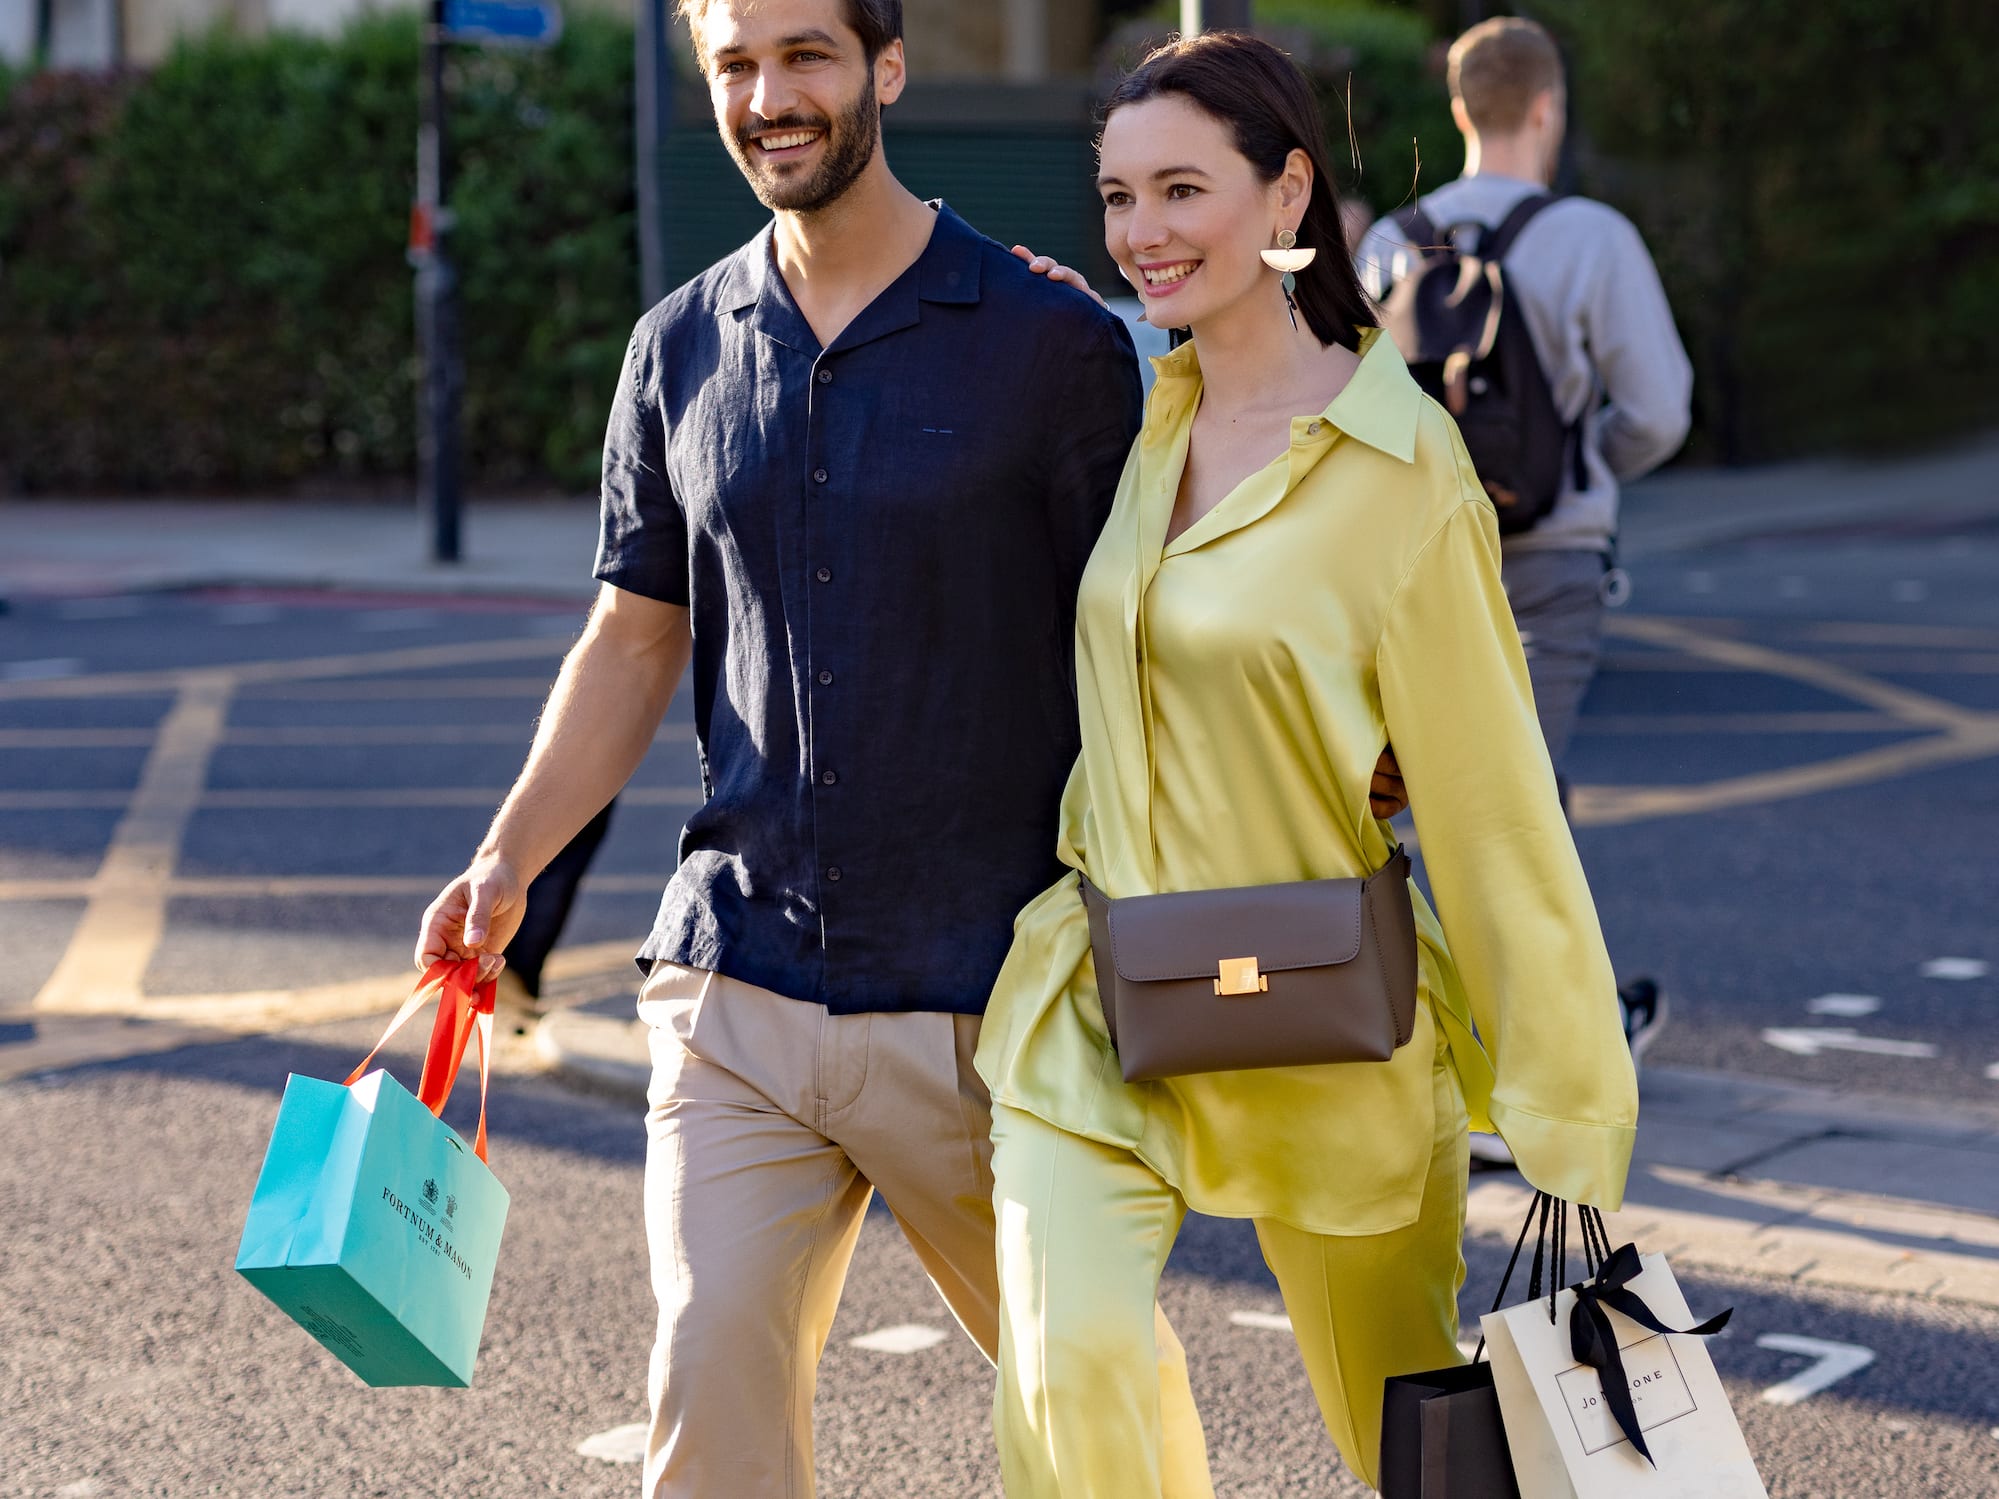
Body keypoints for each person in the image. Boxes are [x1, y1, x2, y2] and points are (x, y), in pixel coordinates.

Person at [413, 2, 1225, 1494]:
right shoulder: (675, 349)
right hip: (740, 982)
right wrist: (506, 853)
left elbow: (1156, 637)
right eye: (735, 64)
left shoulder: (1045, 343)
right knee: (708, 1372)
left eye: (806, 55)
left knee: (1090, 1385)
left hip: (994, 1000)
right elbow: (632, 637)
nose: (769, 96)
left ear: (884, 70)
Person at [974, 32, 1637, 1495]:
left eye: (1179, 191)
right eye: (1116, 195)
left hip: (1321, 1015)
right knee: (1066, 1351)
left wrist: (1566, 1101)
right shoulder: (1144, 398)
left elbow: (1490, 806)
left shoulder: (1401, 472)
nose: (1141, 232)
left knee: (1406, 1444)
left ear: (1284, 197)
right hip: (1099, 990)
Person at [1357, 16, 1691, 1077]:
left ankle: (1485, 1040)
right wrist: (1584, 459)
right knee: (1509, 808)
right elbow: (1660, 411)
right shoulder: (1593, 237)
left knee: (1426, 805)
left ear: (1460, 110)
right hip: (1547, 560)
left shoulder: (1388, 244)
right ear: (1545, 106)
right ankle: (1521, 1066)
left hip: (1411, 564)